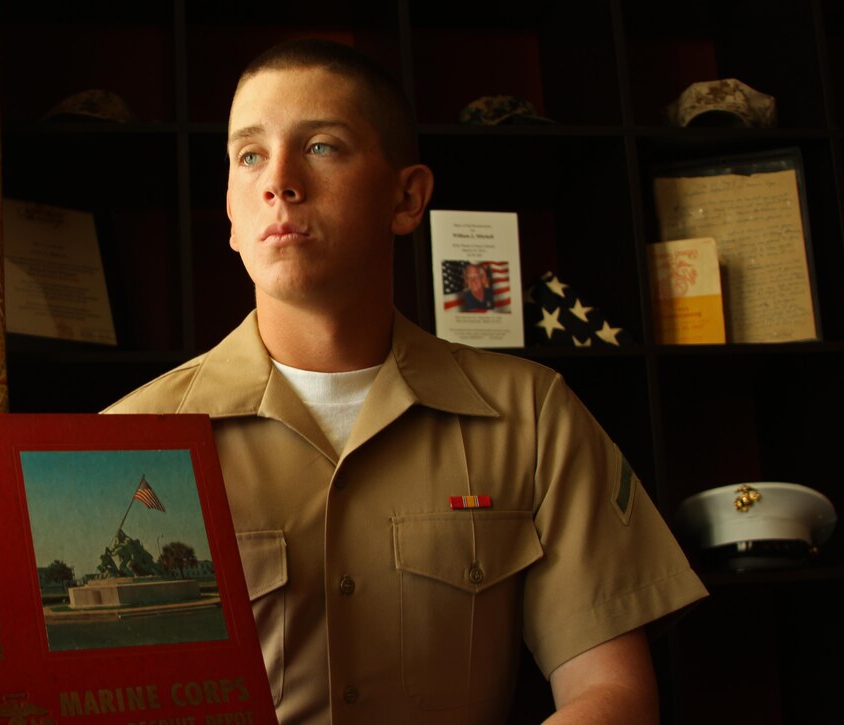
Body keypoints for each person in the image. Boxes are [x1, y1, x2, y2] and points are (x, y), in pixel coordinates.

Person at [104, 38, 707, 723]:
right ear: (232, 217)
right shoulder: (128, 442)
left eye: (322, 146)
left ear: (407, 196)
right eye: (249, 155)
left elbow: (612, 692)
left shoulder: (531, 415)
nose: (278, 180)